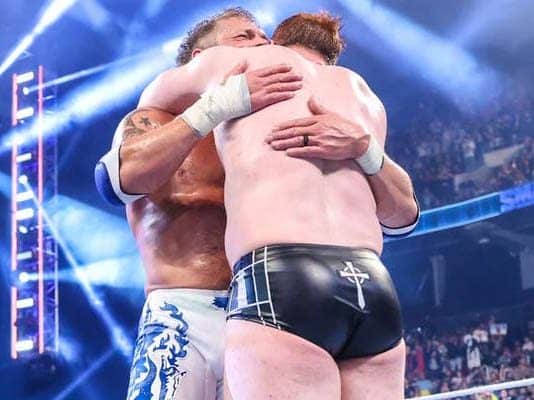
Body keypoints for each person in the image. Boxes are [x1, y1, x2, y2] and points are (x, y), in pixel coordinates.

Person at [138, 11, 420, 400]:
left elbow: (150, 102)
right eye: (250, 35)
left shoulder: (237, 61)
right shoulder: (362, 94)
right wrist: (365, 150)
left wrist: (219, 102)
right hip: (372, 282)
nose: (259, 41)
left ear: (276, 41)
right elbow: (402, 219)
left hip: (284, 275)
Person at [94, 8, 303, 400]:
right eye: (244, 36)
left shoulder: (264, 135)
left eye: (264, 37)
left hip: (265, 314)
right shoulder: (155, 119)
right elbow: (117, 181)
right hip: (182, 315)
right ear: (200, 58)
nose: (262, 43)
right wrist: (215, 106)